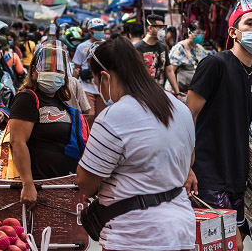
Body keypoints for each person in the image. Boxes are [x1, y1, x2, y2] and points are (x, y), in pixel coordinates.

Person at [77, 35, 196, 251]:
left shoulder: (113, 117)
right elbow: (189, 159)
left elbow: (85, 183)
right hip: (180, 229)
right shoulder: (180, 108)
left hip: (134, 235)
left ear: (105, 77)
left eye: (97, 82)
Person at [184, 0, 252, 251]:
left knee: (232, 244)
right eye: (250, 24)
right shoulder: (215, 64)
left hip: (238, 178)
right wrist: (186, 166)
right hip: (205, 175)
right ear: (234, 32)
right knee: (228, 245)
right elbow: (187, 116)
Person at [8, 40, 76, 207]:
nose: (53, 73)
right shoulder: (27, 98)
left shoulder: (61, 102)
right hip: (39, 187)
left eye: (58, 70)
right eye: (47, 68)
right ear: (33, 71)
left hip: (61, 185)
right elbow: (17, 142)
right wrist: (28, 184)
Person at [134, 15, 182, 95]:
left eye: (164, 28)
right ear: (150, 28)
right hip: (143, 94)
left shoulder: (162, 47)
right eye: (160, 28)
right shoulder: (138, 48)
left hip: (160, 93)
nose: (163, 31)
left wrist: (178, 93)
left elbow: (169, 71)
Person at [73, 18, 107, 125]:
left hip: (103, 87)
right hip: (87, 87)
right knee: (89, 114)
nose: (100, 31)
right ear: (90, 31)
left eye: (101, 28)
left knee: (101, 117)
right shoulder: (81, 47)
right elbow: (77, 67)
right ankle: (85, 137)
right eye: (96, 29)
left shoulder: (107, 46)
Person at [169, 20, 209, 94]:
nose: (200, 36)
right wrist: (177, 93)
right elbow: (170, 72)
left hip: (195, 91)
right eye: (197, 33)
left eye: (202, 33)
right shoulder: (179, 49)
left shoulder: (200, 49)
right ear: (189, 32)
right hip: (180, 91)